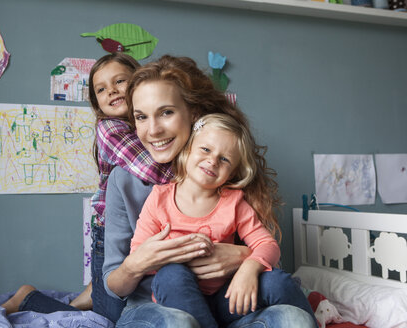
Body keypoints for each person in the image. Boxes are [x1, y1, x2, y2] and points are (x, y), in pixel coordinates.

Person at [102, 55, 317, 327]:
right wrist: (137, 263)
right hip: (155, 308)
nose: (153, 130)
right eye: (141, 117)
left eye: (166, 112)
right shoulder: (126, 180)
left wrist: (243, 257)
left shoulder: (226, 171)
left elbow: (267, 255)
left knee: (293, 319)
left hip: (226, 303)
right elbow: (113, 285)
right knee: (177, 317)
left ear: (194, 114)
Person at [2, 53, 172, 323]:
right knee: (109, 319)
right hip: (111, 231)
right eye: (101, 89)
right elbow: (155, 170)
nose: (112, 91)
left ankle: (91, 293)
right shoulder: (110, 128)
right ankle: (29, 298)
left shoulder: (150, 124)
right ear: (96, 101)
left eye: (119, 81)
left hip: (143, 224)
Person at [129, 113, 316, 327]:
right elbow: (138, 255)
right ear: (188, 148)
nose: (212, 161)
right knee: (171, 275)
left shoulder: (233, 202)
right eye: (206, 149)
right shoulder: (159, 199)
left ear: (232, 172)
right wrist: (176, 255)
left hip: (227, 299)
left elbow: (267, 244)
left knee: (279, 281)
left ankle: (315, 321)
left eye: (224, 159)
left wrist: (249, 268)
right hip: (180, 300)